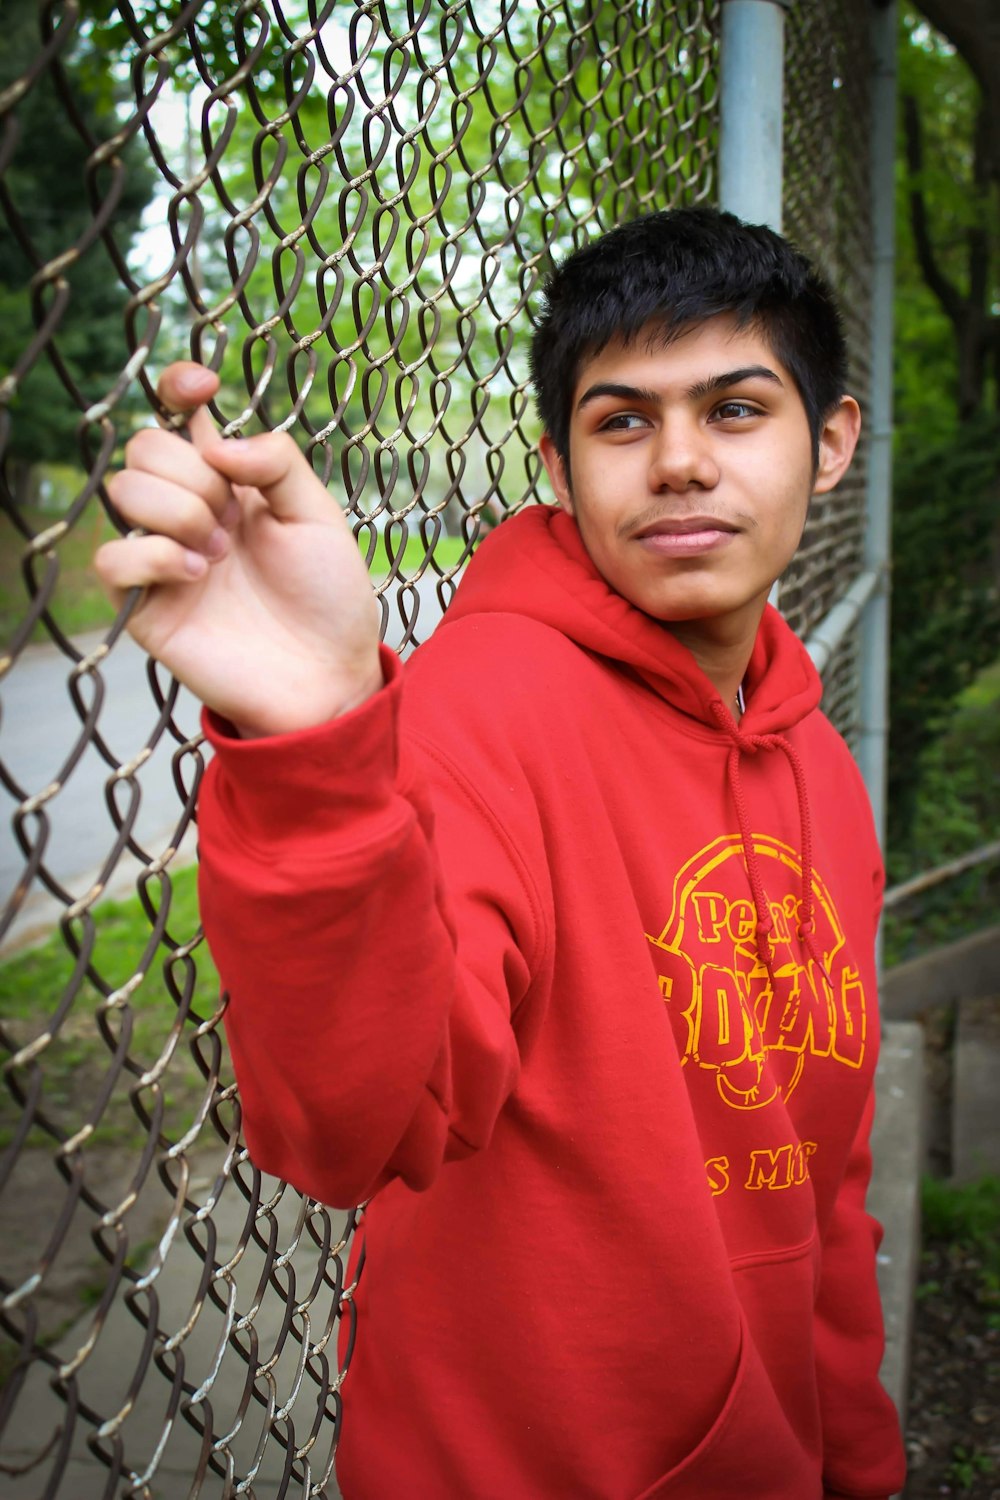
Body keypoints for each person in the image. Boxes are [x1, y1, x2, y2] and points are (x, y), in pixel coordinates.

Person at [95, 207, 907, 1499]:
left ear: (833, 442)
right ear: (560, 462)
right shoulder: (484, 707)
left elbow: (828, 1177)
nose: (681, 463)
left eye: (738, 409)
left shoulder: (817, 757)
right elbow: (353, 1127)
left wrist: (857, 1456)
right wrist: (313, 745)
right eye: (622, 421)